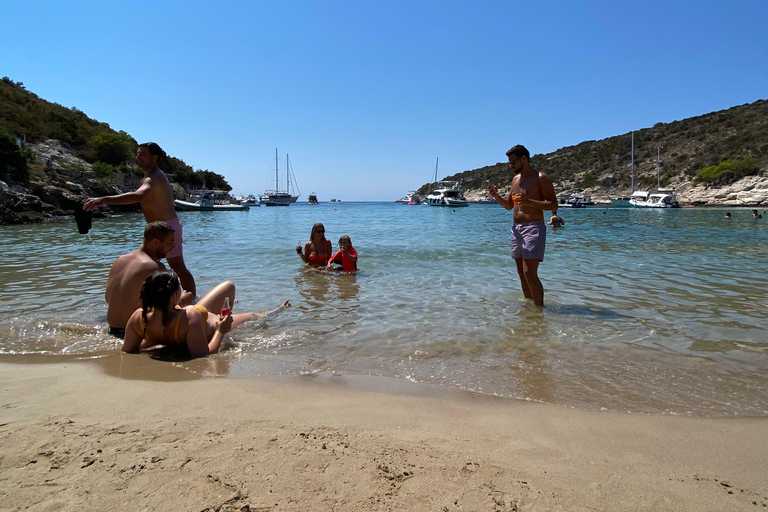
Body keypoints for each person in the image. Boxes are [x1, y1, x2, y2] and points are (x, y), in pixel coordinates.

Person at [83, 142, 196, 298]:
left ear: (154, 157)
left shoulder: (155, 176)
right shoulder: (147, 176)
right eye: (137, 154)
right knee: (145, 264)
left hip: (168, 229)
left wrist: (103, 199)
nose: (138, 157)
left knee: (178, 267)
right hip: (154, 229)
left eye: (143, 154)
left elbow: (140, 196)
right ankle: (146, 301)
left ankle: (191, 301)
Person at [121, 270, 291, 358]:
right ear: (173, 295)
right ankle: (277, 310)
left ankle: (269, 310)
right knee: (253, 316)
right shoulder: (189, 318)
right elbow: (204, 355)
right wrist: (220, 330)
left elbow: (129, 350)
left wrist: (153, 344)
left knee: (228, 287)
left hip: (180, 312)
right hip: (209, 321)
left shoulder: (139, 317)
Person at [488, 145, 558, 307]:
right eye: (509, 163)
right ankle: (529, 309)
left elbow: (553, 204)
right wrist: (495, 195)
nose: (511, 165)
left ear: (524, 159)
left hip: (533, 227)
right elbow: (508, 205)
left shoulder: (541, 178)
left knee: (529, 273)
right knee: (521, 272)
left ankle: (539, 311)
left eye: (513, 162)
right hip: (516, 229)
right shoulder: (516, 180)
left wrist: (529, 202)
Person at [105, 221, 194, 338]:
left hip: (113, 331)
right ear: (155, 242)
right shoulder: (155, 267)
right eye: (170, 243)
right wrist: (182, 301)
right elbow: (166, 309)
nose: (173, 247)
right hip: (137, 332)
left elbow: (108, 298)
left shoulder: (119, 261)